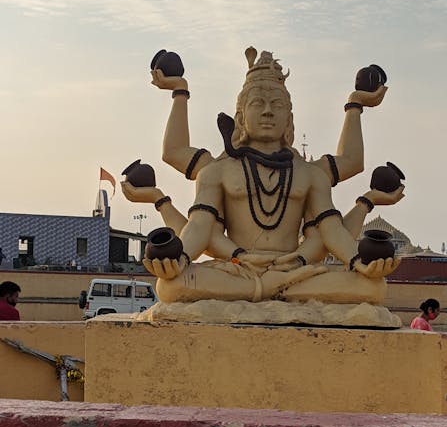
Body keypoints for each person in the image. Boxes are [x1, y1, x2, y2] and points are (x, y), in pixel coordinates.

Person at [140, 48, 403, 305]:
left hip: (294, 271)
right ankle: (273, 291)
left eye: (276, 105)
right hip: (237, 269)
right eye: (258, 103)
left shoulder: (309, 174)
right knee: (171, 285)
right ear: (240, 118)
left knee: (373, 287)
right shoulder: (218, 170)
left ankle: (268, 289)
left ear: (289, 119)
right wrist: (183, 260)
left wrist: (352, 263)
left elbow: (329, 231)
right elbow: (200, 226)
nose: (268, 112)